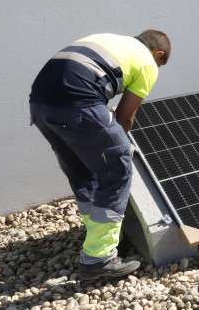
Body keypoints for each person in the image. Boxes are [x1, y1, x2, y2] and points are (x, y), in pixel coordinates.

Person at [29, 30, 170, 280]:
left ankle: (97, 238)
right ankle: (98, 258)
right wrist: (116, 144)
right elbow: (125, 117)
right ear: (158, 54)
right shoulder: (148, 63)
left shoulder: (109, 39)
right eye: (160, 62)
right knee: (117, 169)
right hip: (78, 103)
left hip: (40, 105)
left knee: (82, 172)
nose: (157, 67)